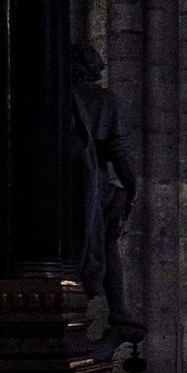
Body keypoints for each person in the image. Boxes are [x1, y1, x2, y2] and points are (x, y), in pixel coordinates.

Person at [71, 43, 142, 348]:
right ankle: (119, 312)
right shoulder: (103, 101)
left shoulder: (50, 97)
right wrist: (131, 189)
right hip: (87, 185)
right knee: (105, 234)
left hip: (54, 187)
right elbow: (122, 158)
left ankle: (116, 313)